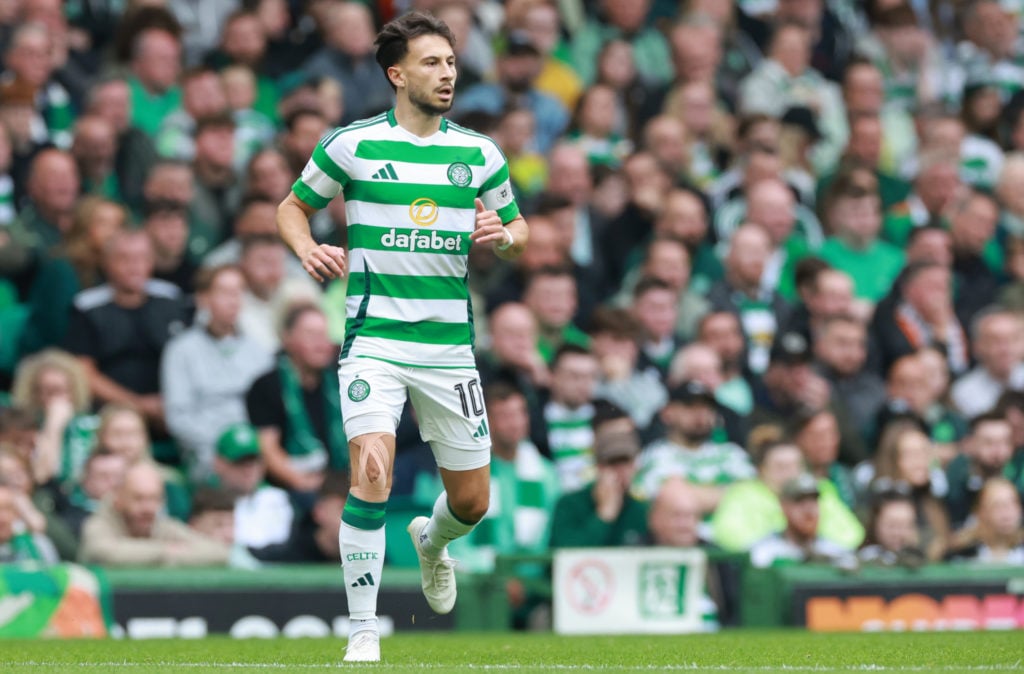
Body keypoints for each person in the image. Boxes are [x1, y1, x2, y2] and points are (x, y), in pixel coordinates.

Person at [275, 12, 530, 662]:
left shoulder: (477, 152)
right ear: (397, 73)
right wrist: (306, 247)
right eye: (432, 63)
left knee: (472, 502)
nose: (447, 74)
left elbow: (518, 226)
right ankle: (364, 629)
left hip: (448, 349)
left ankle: (433, 542)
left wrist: (505, 239)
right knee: (372, 472)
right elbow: (291, 206)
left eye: (450, 63)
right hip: (375, 342)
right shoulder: (352, 145)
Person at [161, 265, 273, 480]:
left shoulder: (259, 350)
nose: (233, 300)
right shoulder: (180, 351)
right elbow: (178, 419)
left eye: (239, 292)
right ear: (204, 299)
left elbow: (270, 412)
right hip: (207, 455)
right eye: (224, 292)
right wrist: (227, 446)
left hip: (255, 453)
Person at [78, 461, 230, 567]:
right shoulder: (99, 523)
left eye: (154, 499)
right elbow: (103, 552)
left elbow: (219, 553)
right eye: (139, 498)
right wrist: (164, 551)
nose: (148, 508)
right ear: (119, 498)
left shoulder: (163, 526)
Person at [549, 426, 648, 549]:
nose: (621, 471)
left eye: (625, 462)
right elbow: (566, 555)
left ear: (634, 466)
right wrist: (604, 515)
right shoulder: (569, 505)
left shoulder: (642, 510)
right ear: (598, 467)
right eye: (612, 463)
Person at [749, 473, 857, 569]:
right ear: (783, 507)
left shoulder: (835, 550)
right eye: (800, 501)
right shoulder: (765, 552)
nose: (809, 509)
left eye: (814, 500)